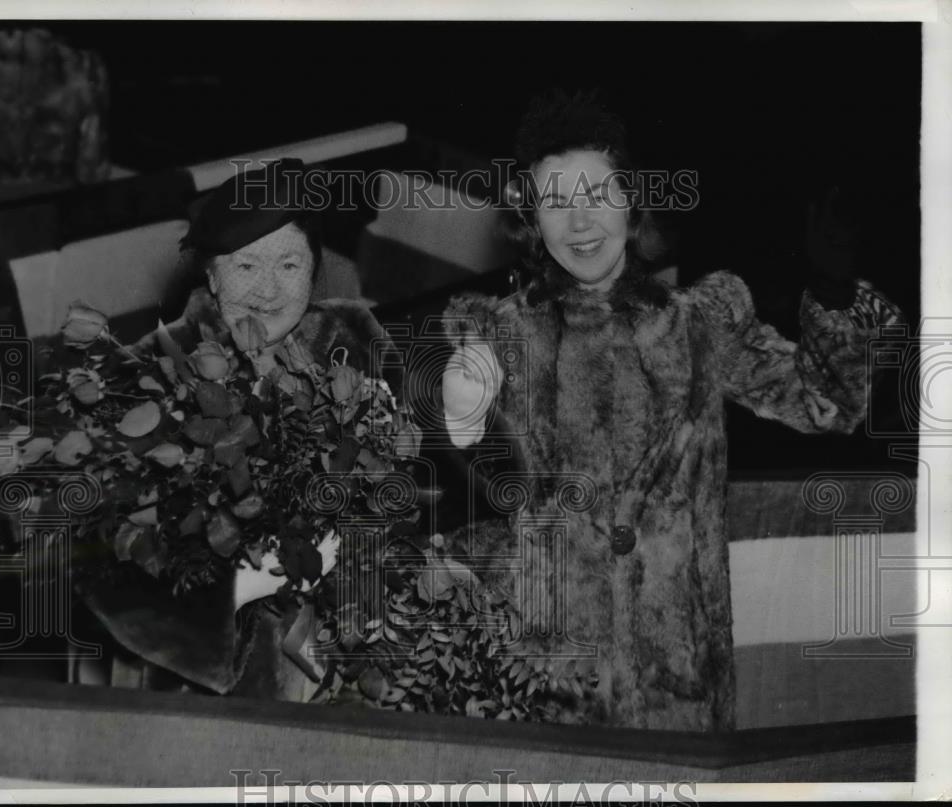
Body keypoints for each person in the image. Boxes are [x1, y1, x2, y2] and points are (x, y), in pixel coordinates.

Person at [437, 91, 902, 731]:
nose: (579, 222)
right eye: (557, 203)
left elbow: (827, 407)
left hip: (677, 682)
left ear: (632, 204)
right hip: (547, 681)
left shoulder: (701, 325)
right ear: (531, 220)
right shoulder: (500, 334)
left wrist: (829, 292)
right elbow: (460, 444)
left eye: (597, 196)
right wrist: (463, 404)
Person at [82, 158, 402, 700]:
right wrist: (240, 587)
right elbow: (101, 557)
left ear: (314, 270)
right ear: (210, 274)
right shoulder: (154, 373)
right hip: (218, 680)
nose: (269, 290)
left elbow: (429, 483)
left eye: (289, 266)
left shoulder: (356, 340)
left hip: (355, 652)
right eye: (246, 267)